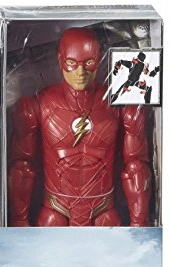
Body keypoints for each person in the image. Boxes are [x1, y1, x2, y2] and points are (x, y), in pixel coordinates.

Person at [8, 27, 151, 227]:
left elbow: (136, 168)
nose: (80, 73)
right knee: (21, 168)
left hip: (103, 210)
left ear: (99, 58)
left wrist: (139, 224)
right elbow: (22, 167)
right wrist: (19, 222)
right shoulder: (38, 105)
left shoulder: (120, 106)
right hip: (56, 209)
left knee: (136, 167)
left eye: (88, 63)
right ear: (60, 60)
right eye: (72, 64)